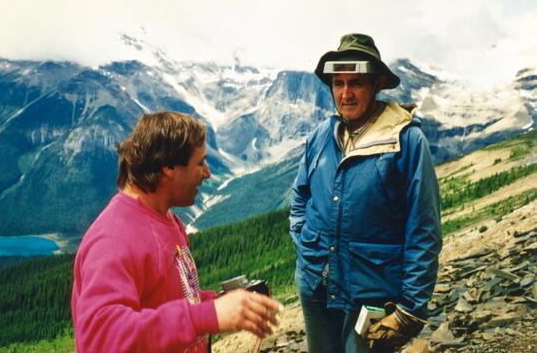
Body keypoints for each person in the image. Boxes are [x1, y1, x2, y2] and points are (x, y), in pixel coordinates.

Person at [72, 111, 282, 353]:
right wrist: (205, 317)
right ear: (168, 166)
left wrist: (220, 304)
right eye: (200, 163)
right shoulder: (114, 238)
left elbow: (177, 300)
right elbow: (99, 339)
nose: (207, 173)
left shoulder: (169, 221)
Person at [289, 34, 442, 352]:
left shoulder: (406, 142)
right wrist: (305, 246)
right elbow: (301, 196)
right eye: (338, 83)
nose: (345, 93)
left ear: (377, 84)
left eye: (356, 83)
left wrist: (412, 307)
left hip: (373, 292)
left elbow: (423, 229)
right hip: (316, 284)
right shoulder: (322, 135)